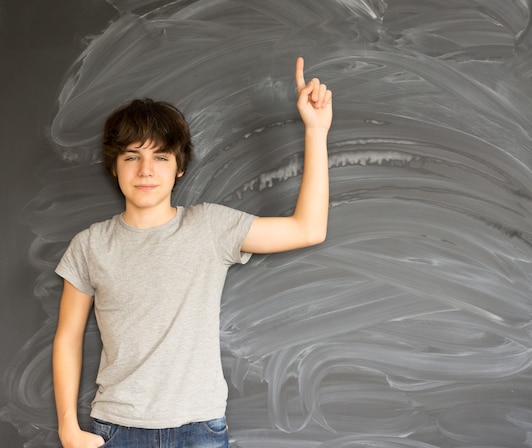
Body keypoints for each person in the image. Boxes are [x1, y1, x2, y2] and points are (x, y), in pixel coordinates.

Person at [52, 57, 332, 448]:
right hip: (117, 429)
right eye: (132, 156)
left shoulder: (210, 227)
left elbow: (308, 229)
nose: (145, 170)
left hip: (199, 430)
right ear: (114, 166)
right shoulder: (90, 244)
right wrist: (68, 426)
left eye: (160, 157)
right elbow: (68, 337)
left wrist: (316, 131)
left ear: (179, 167)